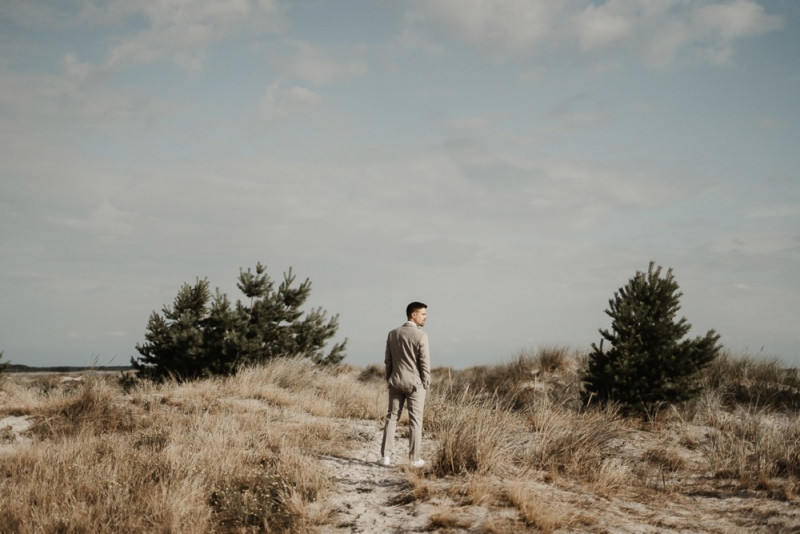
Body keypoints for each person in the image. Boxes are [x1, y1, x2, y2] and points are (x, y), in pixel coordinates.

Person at [378, 301, 430, 468]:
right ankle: (414, 459)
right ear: (413, 315)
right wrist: (425, 383)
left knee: (391, 418)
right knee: (416, 421)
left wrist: (389, 378)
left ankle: (385, 456)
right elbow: (424, 363)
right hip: (415, 384)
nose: (426, 317)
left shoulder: (392, 334)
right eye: (423, 314)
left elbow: (388, 360)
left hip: (395, 381)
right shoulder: (421, 336)